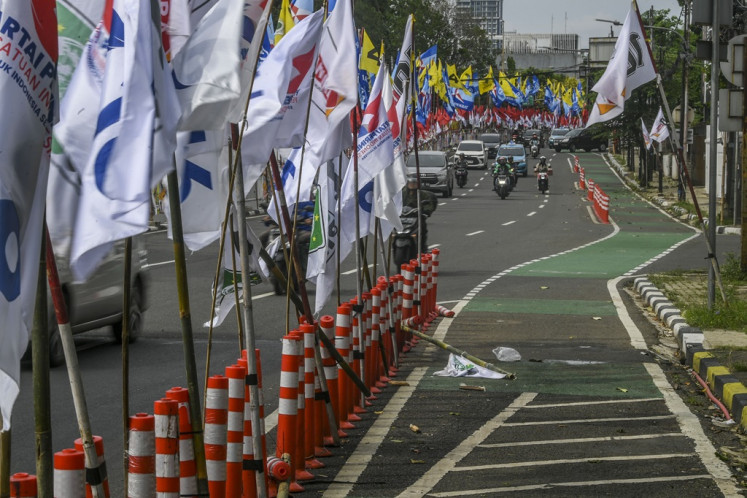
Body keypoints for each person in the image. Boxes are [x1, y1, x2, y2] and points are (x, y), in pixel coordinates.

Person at [402, 177, 437, 251]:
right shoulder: (403, 193)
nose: (412, 185)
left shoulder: (422, 194)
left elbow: (428, 204)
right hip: (403, 216)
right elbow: (396, 202)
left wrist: (426, 211)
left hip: (416, 216)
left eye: (415, 184)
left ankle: (422, 246)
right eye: (411, 183)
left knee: (422, 228)